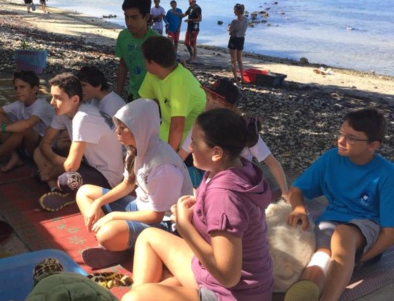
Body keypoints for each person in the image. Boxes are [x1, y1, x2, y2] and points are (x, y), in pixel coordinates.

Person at [122, 108, 274, 301]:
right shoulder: (234, 168)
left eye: (194, 141)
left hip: (231, 294)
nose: (190, 146)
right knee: (148, 237)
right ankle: (155, 288)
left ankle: (152, 290)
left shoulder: (224, 196)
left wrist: (185, 228)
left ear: (217, 152)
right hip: (221, 277)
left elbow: (229, 276)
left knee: (133, 299)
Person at [284, 108, 394, 301]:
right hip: (330, 224)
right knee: (321, 259)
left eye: (351, 138)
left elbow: (390, 232)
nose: (341, 141)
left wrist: (359, 259)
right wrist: (299, 208)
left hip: (367, 231)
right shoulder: (332, 158)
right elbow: (297, 189)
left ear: (372, 145)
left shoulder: (387, 174)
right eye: (342, 134)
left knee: (343, 235)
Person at [76, 99, 193, 269]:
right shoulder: (136, 148)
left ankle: (117, 243)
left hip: (165, 224)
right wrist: (98, 203)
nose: (117, 131)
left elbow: (156, 216)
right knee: (84, 192)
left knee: (107, 233)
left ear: (140, 130)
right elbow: (128, 183)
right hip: (141, 207)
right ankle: (119, 243)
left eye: (123, 128)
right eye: (117, 126)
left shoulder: (163, 166)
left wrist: (113, 216)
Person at [178, 78, 289, 198]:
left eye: (215, 102)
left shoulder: (244, 129)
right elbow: (180, 157)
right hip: (206, 176)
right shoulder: (201, 125)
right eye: (208, 99)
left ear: (229, 107)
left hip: (238, 183)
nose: (208, 105)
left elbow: (272, 163)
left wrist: (285, 193)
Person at [33, 73, 124, 212]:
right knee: (38, 152)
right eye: (52, 97)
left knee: (66, 180)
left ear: (75, 99)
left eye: (57, 98)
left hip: (106, 177)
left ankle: (67, 191)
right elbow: (45, 143)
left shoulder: (84, 117)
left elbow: (71, 166)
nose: (51, 102)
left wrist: (50, 172)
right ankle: (56, 188)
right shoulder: (63, 112)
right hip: (87, 164)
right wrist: (54, 159)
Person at [0, 71, 55, 171]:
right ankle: (14, 156)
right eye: (16, 88)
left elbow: (27, 125)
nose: (18, 91)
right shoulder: (19, 104)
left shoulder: (42, 106)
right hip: (25, 146)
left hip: (41, 150)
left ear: (34, 89)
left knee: (22, 129)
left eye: (22, 87)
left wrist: (0, 129)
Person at [138, 36, 206, 152]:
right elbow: (144, 104)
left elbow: (177, 127)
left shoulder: (180, 83)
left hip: (191, 139)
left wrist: (168, 158)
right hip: (165, 128)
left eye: (145, 60)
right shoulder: (153, 73)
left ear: (152, 63)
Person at [115, 0, 159, 101]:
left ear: (146, 17)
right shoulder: (123, 36)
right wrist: (118, 94)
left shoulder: (156, 40)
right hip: (133, 93)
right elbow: (123, 65)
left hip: (155, 98)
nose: (129, 22)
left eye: (134, 18)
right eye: (126, 17)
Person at [171, 0, 202, 64]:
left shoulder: (197, 8)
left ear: (192, 0)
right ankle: (191, 56)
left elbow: (200, 19)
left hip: (194, 28)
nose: (188, 1)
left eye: (189, 0)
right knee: (186, 42)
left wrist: (190, 20)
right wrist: (175, 13)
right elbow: (184, 14)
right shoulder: (190, 7)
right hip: (189, 28)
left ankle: (194, 58)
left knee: (193, 43)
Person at [228, 3, 248, 83]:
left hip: (234, 39)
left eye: (234, 9)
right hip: (241, 39)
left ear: (237, 11)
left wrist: (229, 29)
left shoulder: (234, 21)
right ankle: (242, 77)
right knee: (239, 59)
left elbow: (230, 32)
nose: (233, 11)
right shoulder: (246, 19)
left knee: (233, 60)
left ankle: (236, 78)